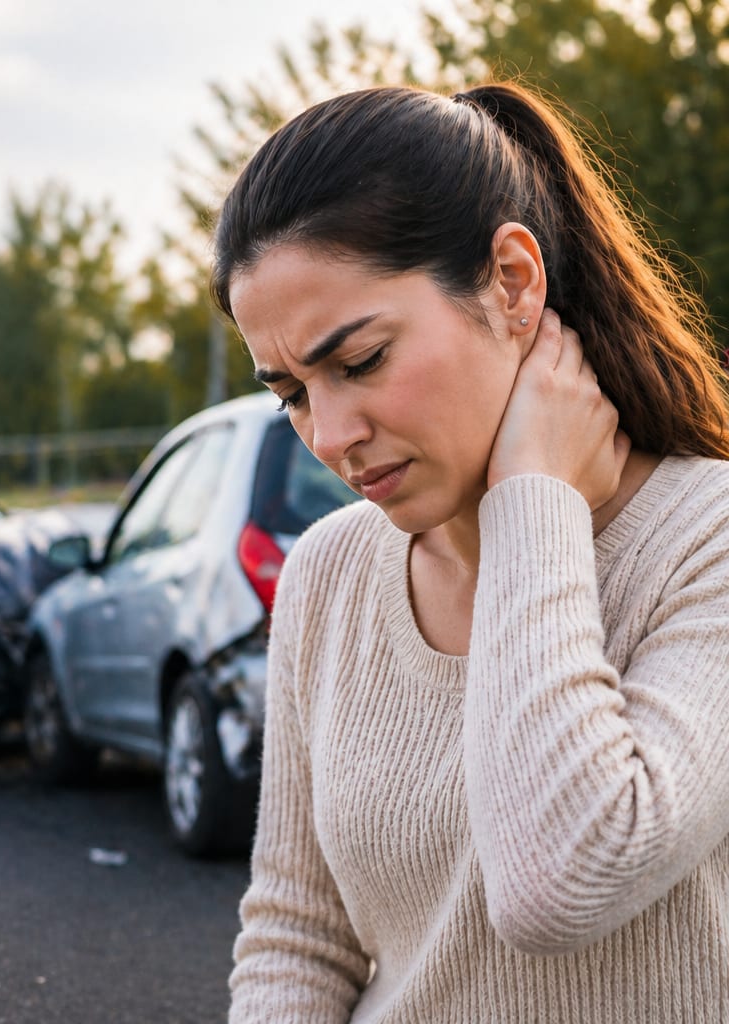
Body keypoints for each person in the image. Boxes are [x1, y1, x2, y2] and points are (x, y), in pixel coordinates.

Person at [211, 81, 729, 1022]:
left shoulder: (710, 542)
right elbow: (297, 935)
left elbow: (560, 881)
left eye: (359, 360)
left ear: (513, 284)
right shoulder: (328, 574)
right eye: (289, 391)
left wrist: (533, 498)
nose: (327, 435)